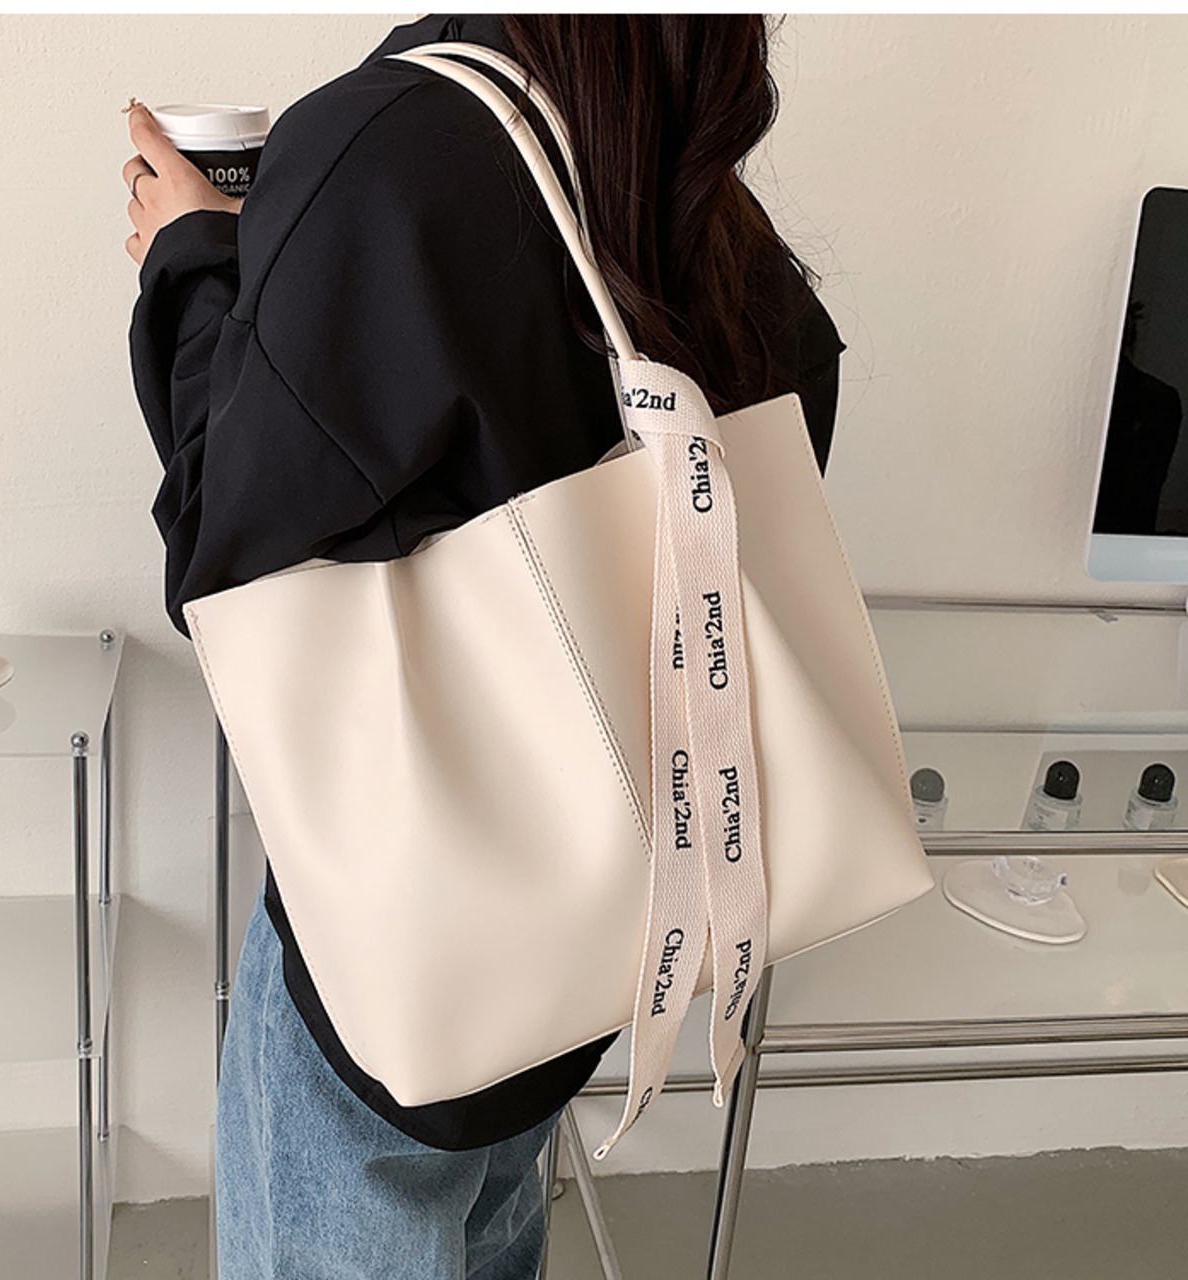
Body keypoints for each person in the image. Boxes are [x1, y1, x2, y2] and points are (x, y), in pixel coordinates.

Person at [124, 13, 846, 1278]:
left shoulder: (382, 148)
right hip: (587, 941)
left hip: (391, 968)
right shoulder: (676, 166)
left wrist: (190, 260)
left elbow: (231, 558)